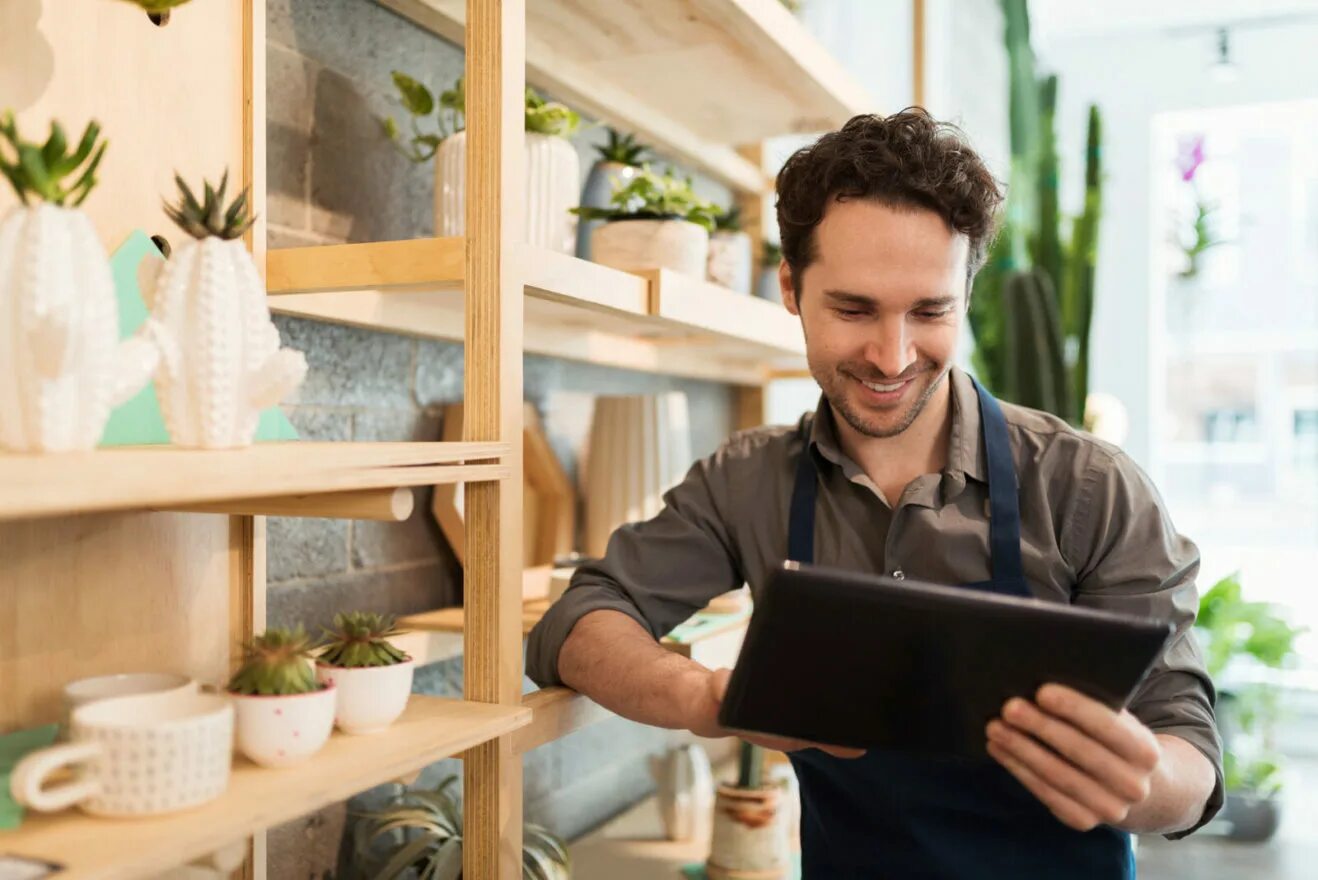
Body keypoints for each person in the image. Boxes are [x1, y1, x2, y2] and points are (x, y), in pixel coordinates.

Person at [525, 109, 1222, 878]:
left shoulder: (1090, 486)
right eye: (853, 310)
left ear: (966, 291)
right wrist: (716, 698)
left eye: (930, 312)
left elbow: (1188, 754)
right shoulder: (747, 482)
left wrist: (1140, 779)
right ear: (791, 288)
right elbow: (579, 621)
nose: (892, 357)